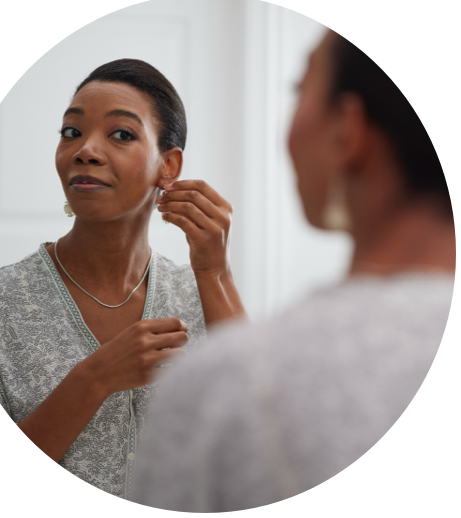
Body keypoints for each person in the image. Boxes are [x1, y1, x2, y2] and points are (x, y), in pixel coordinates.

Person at [131, 31, 456, 512]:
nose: (88, 153)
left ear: (347, 128)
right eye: (70, 131)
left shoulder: (232, 381)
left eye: (298, 88)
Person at [0, 59, 246, 499]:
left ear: (168, 166)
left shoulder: (199, 294)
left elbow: (258, 438)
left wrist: (215, 271)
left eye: (121, 134)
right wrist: (93, 380)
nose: (85, 150)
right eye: (71, 132)